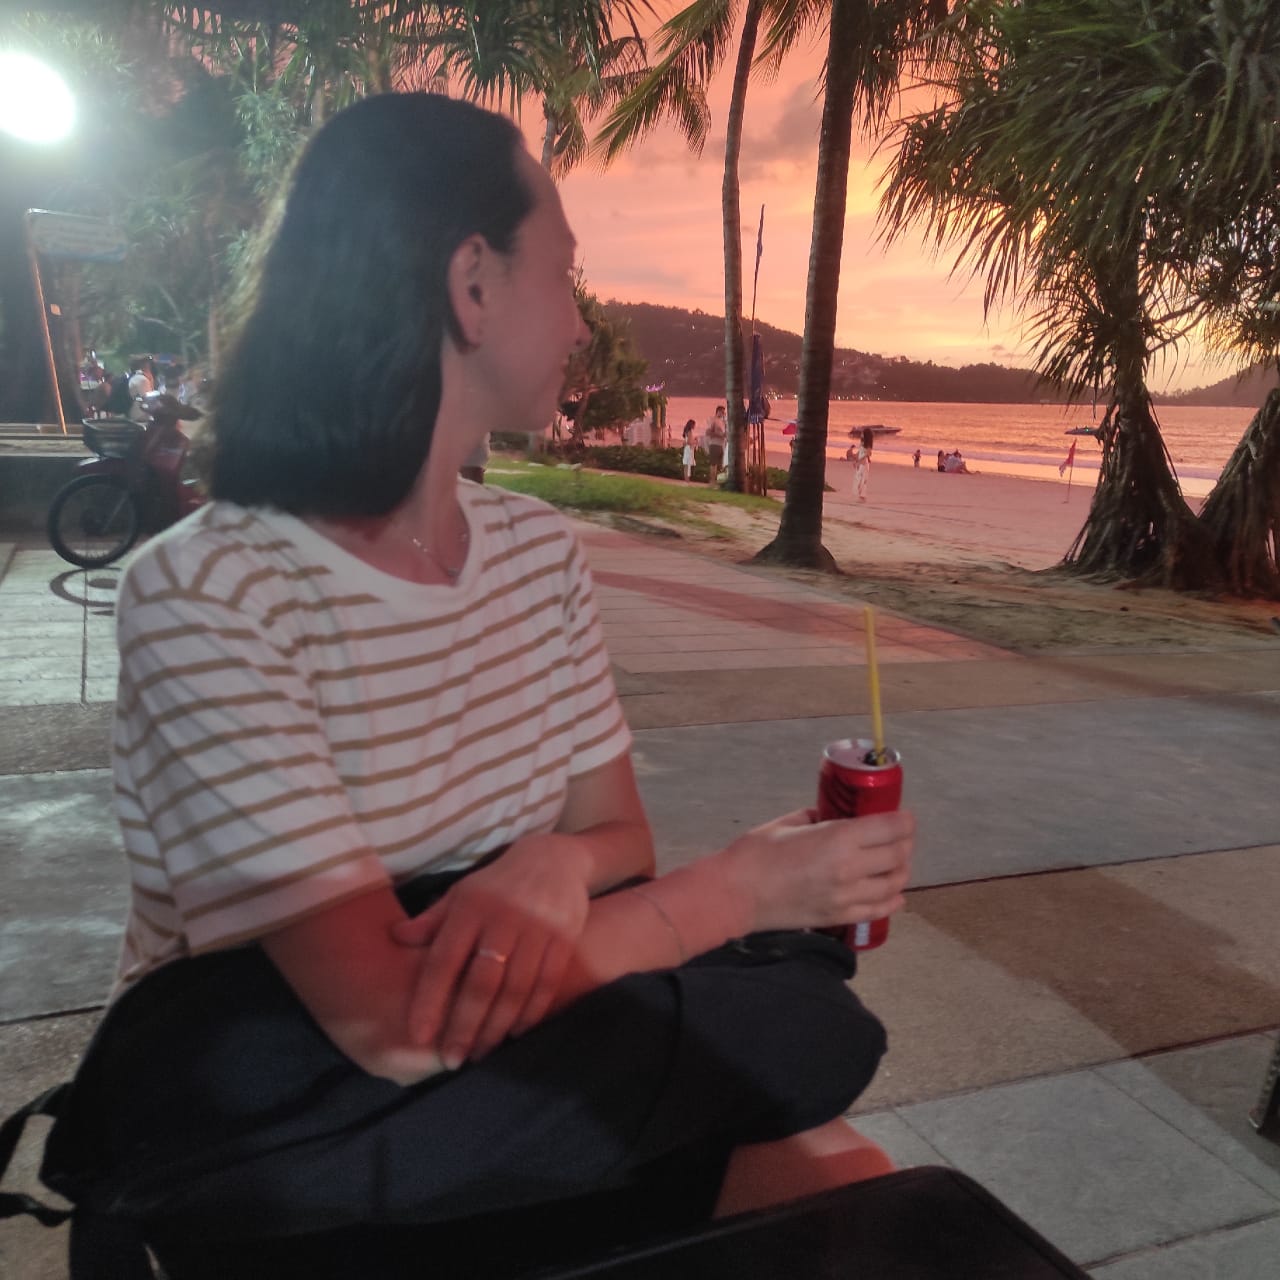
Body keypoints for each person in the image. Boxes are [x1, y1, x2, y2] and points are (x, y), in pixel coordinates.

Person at [18, 94, 912, 1277]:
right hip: (309, 1144)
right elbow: (390, 1023)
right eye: (565, 273)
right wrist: (741, 888)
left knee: (857, 1185)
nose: (581, 322)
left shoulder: (536, 551)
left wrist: (548, 864)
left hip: (510, 1081)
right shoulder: (214, 590)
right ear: (472, 283)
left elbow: (615, 836)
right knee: (800, 1079)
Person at [847, 426, 873, 501]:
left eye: (862, 433)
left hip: (864, 463)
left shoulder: (868, 445)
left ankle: (861, 496)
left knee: (861, 479)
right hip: (860, 462)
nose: (861, 434)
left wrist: (859, 461)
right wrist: (855, 459)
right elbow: (859, 453)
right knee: (858, 478)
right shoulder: (862, 443)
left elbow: (868, 454)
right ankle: (860, 495)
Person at [704, 404, 726, 485]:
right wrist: (720, 435)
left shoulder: (722, 422)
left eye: (724, 413)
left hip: (721, 445)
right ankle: (712, 481)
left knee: (720, 466)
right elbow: (708, 432)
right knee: (713, 464)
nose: (723, 414)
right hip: (714, 444)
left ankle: (717, 482)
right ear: (718, 412)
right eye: (722, 412)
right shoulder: (713, 420)